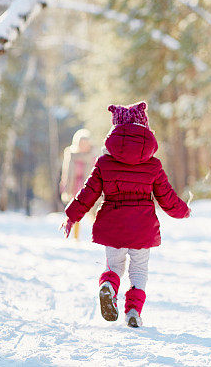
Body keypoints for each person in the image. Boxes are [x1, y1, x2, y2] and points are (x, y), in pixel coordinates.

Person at [61, 102, 191, 328]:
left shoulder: (103, 163)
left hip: (113, 226)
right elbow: (167, 198)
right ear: (145, 129)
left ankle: (109, 287)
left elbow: (88, 193)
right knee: (139, 270)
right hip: (142, 229)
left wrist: (72, 215)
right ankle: (133, 311)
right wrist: (184, 210)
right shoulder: (153, 165)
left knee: (114, 267)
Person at [59, 129, 98, 239]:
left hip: (89, 187)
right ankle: (75, 237)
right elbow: (66, 171)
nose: (83, 145)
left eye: (85, 143)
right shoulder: (71, 154)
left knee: (93, 212)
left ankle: (96, 235)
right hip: (74, 186)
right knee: (75, 211)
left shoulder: (93, 156)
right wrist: (64, 185)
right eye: (81, 143)